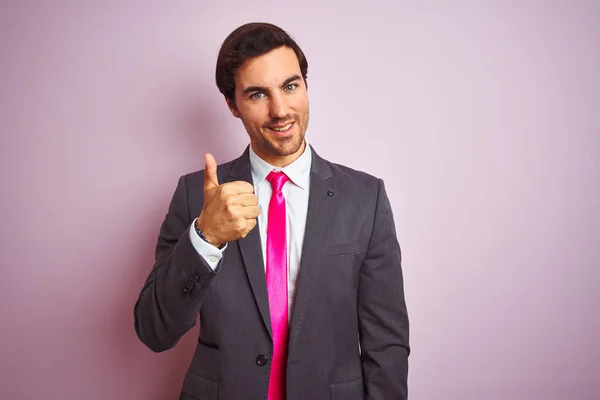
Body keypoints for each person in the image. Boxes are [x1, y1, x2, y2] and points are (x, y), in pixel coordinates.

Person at [134, 22, 410, 400]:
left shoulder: (366, 198)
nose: (280, 110)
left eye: (290, 86)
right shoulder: (193, 196)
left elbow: (387, 345)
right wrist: (206, 237)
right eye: (257, 94)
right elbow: (154, 330)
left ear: (306, 87)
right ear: (232, 104)